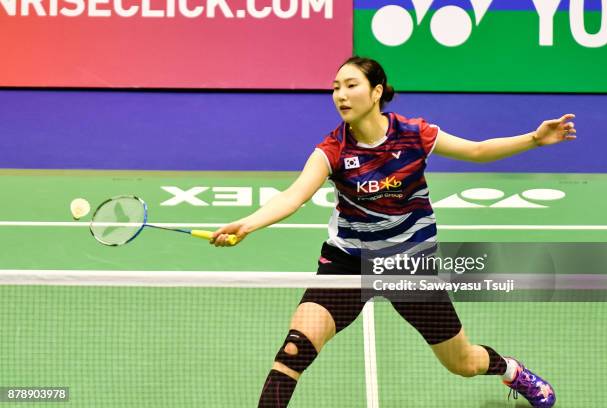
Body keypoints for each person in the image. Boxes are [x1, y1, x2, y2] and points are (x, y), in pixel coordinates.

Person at [211, 56, 575, 408]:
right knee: (294, 350)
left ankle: (511, 370)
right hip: (347, 264)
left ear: (376, 92)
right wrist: (247, 224)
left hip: (408, 263)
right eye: (335, 87)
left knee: (462, 362)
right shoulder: (333, 149)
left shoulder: (414, 134)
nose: (340, 95)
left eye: (351, 85)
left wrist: (534, 139)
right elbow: (293, 196)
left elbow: (476, 150)